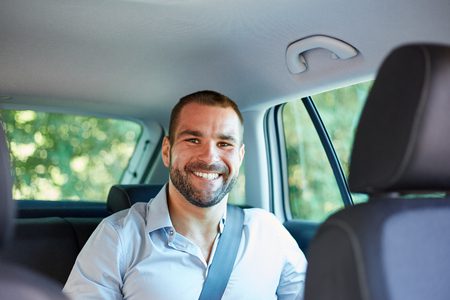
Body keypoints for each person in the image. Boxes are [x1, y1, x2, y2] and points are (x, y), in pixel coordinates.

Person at [63, 90, 307, 299]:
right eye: (193, 139)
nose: (210, 158)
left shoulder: (268, 232)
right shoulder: (118, 237)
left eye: (224, 144)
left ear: (240, 156)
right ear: (167, 151)